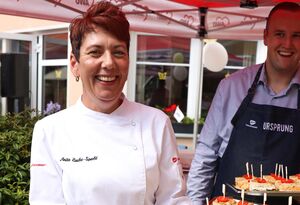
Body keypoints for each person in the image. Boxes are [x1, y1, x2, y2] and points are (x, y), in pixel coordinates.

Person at [29, 2, 192, 204]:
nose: (108, 63)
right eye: (95, 52)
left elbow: (174, 200)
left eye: (118, 52)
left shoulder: (156, 123)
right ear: (74, 64)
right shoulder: (49, 131)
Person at [187, 2, 300, 205]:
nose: (288, 44)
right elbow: (205, 157)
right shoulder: (230, 87)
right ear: (266, 37)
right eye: (280, 34)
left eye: (297, 36)